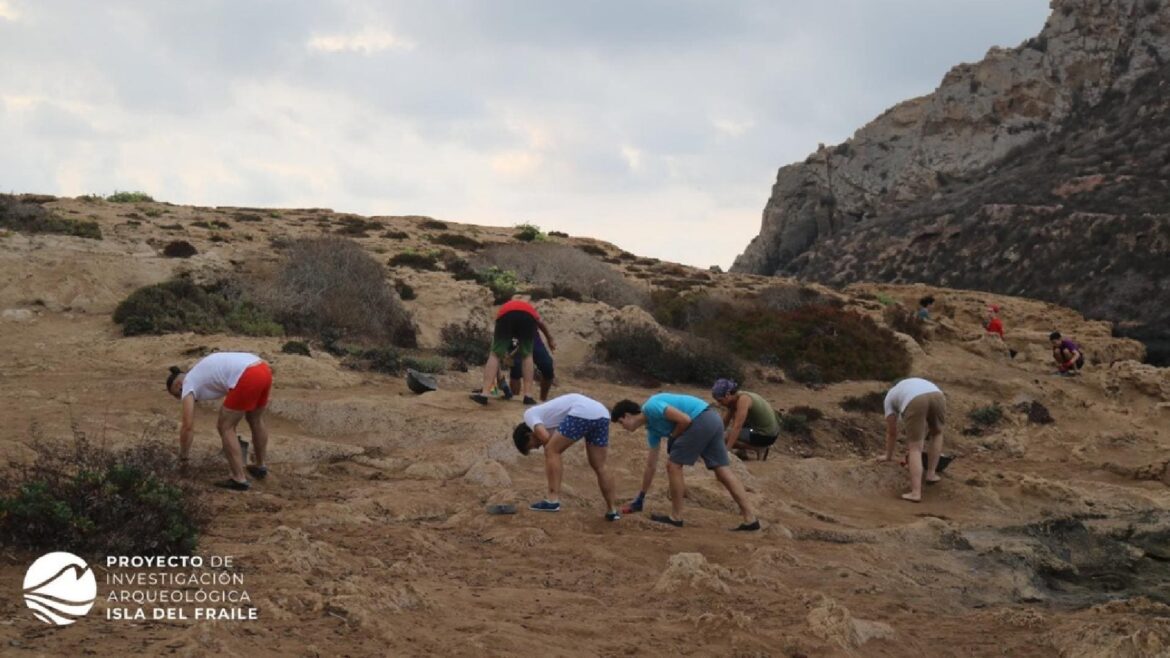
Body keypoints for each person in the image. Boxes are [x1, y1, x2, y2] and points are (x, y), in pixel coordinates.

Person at [611, 393, 760, 531]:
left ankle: (676, 517)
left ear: (627, 415)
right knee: (722, 469)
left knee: (673, 466)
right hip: (712, 420)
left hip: (700, 419)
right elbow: (651, 465)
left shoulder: (651, 406)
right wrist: (641, 496)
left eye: (620, 422)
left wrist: (673, 437)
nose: (622, 427)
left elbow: (685, 420)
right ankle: (750, 518)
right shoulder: (652, 430)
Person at [166, 352, 272, 491]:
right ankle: (260, 466)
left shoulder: (187, 383)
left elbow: (187, 426)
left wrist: (184, 458)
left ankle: (238, 478)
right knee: (255, 418)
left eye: (177, 395)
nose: (181, 398)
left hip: (247, 375)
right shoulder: (199, 371)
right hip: (263, 369)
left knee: (225, 426)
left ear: (178, 384)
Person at [512, 393, 619, 520]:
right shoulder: (549, 419)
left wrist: (552, 449)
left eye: (532, 446)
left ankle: (552, 500)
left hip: (581, 412)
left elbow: (546, 438)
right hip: (602, 414)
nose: (537, 447)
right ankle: (612, 510)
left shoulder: (529, 415)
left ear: (528, 435)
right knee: (600, 465)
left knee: (551, 450)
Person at [471, 298, 556, 406]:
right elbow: (541, 322)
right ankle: (528, 396)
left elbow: (497, 357)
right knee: (527, 355)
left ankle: (484, 395)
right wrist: (549, 339)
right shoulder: (528, 308)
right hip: (528, 317)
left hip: (506, 316)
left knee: (495, 355)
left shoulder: (504, 309)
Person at [877, 378, 946, 503]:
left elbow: (892, 432)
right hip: (937, 394)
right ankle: (931, 474)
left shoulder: (889, 397)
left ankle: (915, 493)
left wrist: (888, 456)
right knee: (937, 433)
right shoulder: (907, 385)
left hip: (915, 400)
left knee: (915, 448)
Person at [710, 378, 780, 458]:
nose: (719, 404)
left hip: (766, 435)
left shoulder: (743, 400)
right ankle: (743, 452)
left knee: (727, 438)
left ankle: (759, 448)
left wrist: (726, 451)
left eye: (720, 401)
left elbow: (737, 427)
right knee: (725, 434)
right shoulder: (736, 397)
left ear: (727, 394)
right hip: (768, 430)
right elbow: (725, 422)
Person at [508, 334, 554, 402]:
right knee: (516, 369)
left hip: (532, 335)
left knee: (547, 366)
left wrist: (549, 338)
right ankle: (515, 400)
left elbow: (540, 323)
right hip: (514, 336)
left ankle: (542, 400)